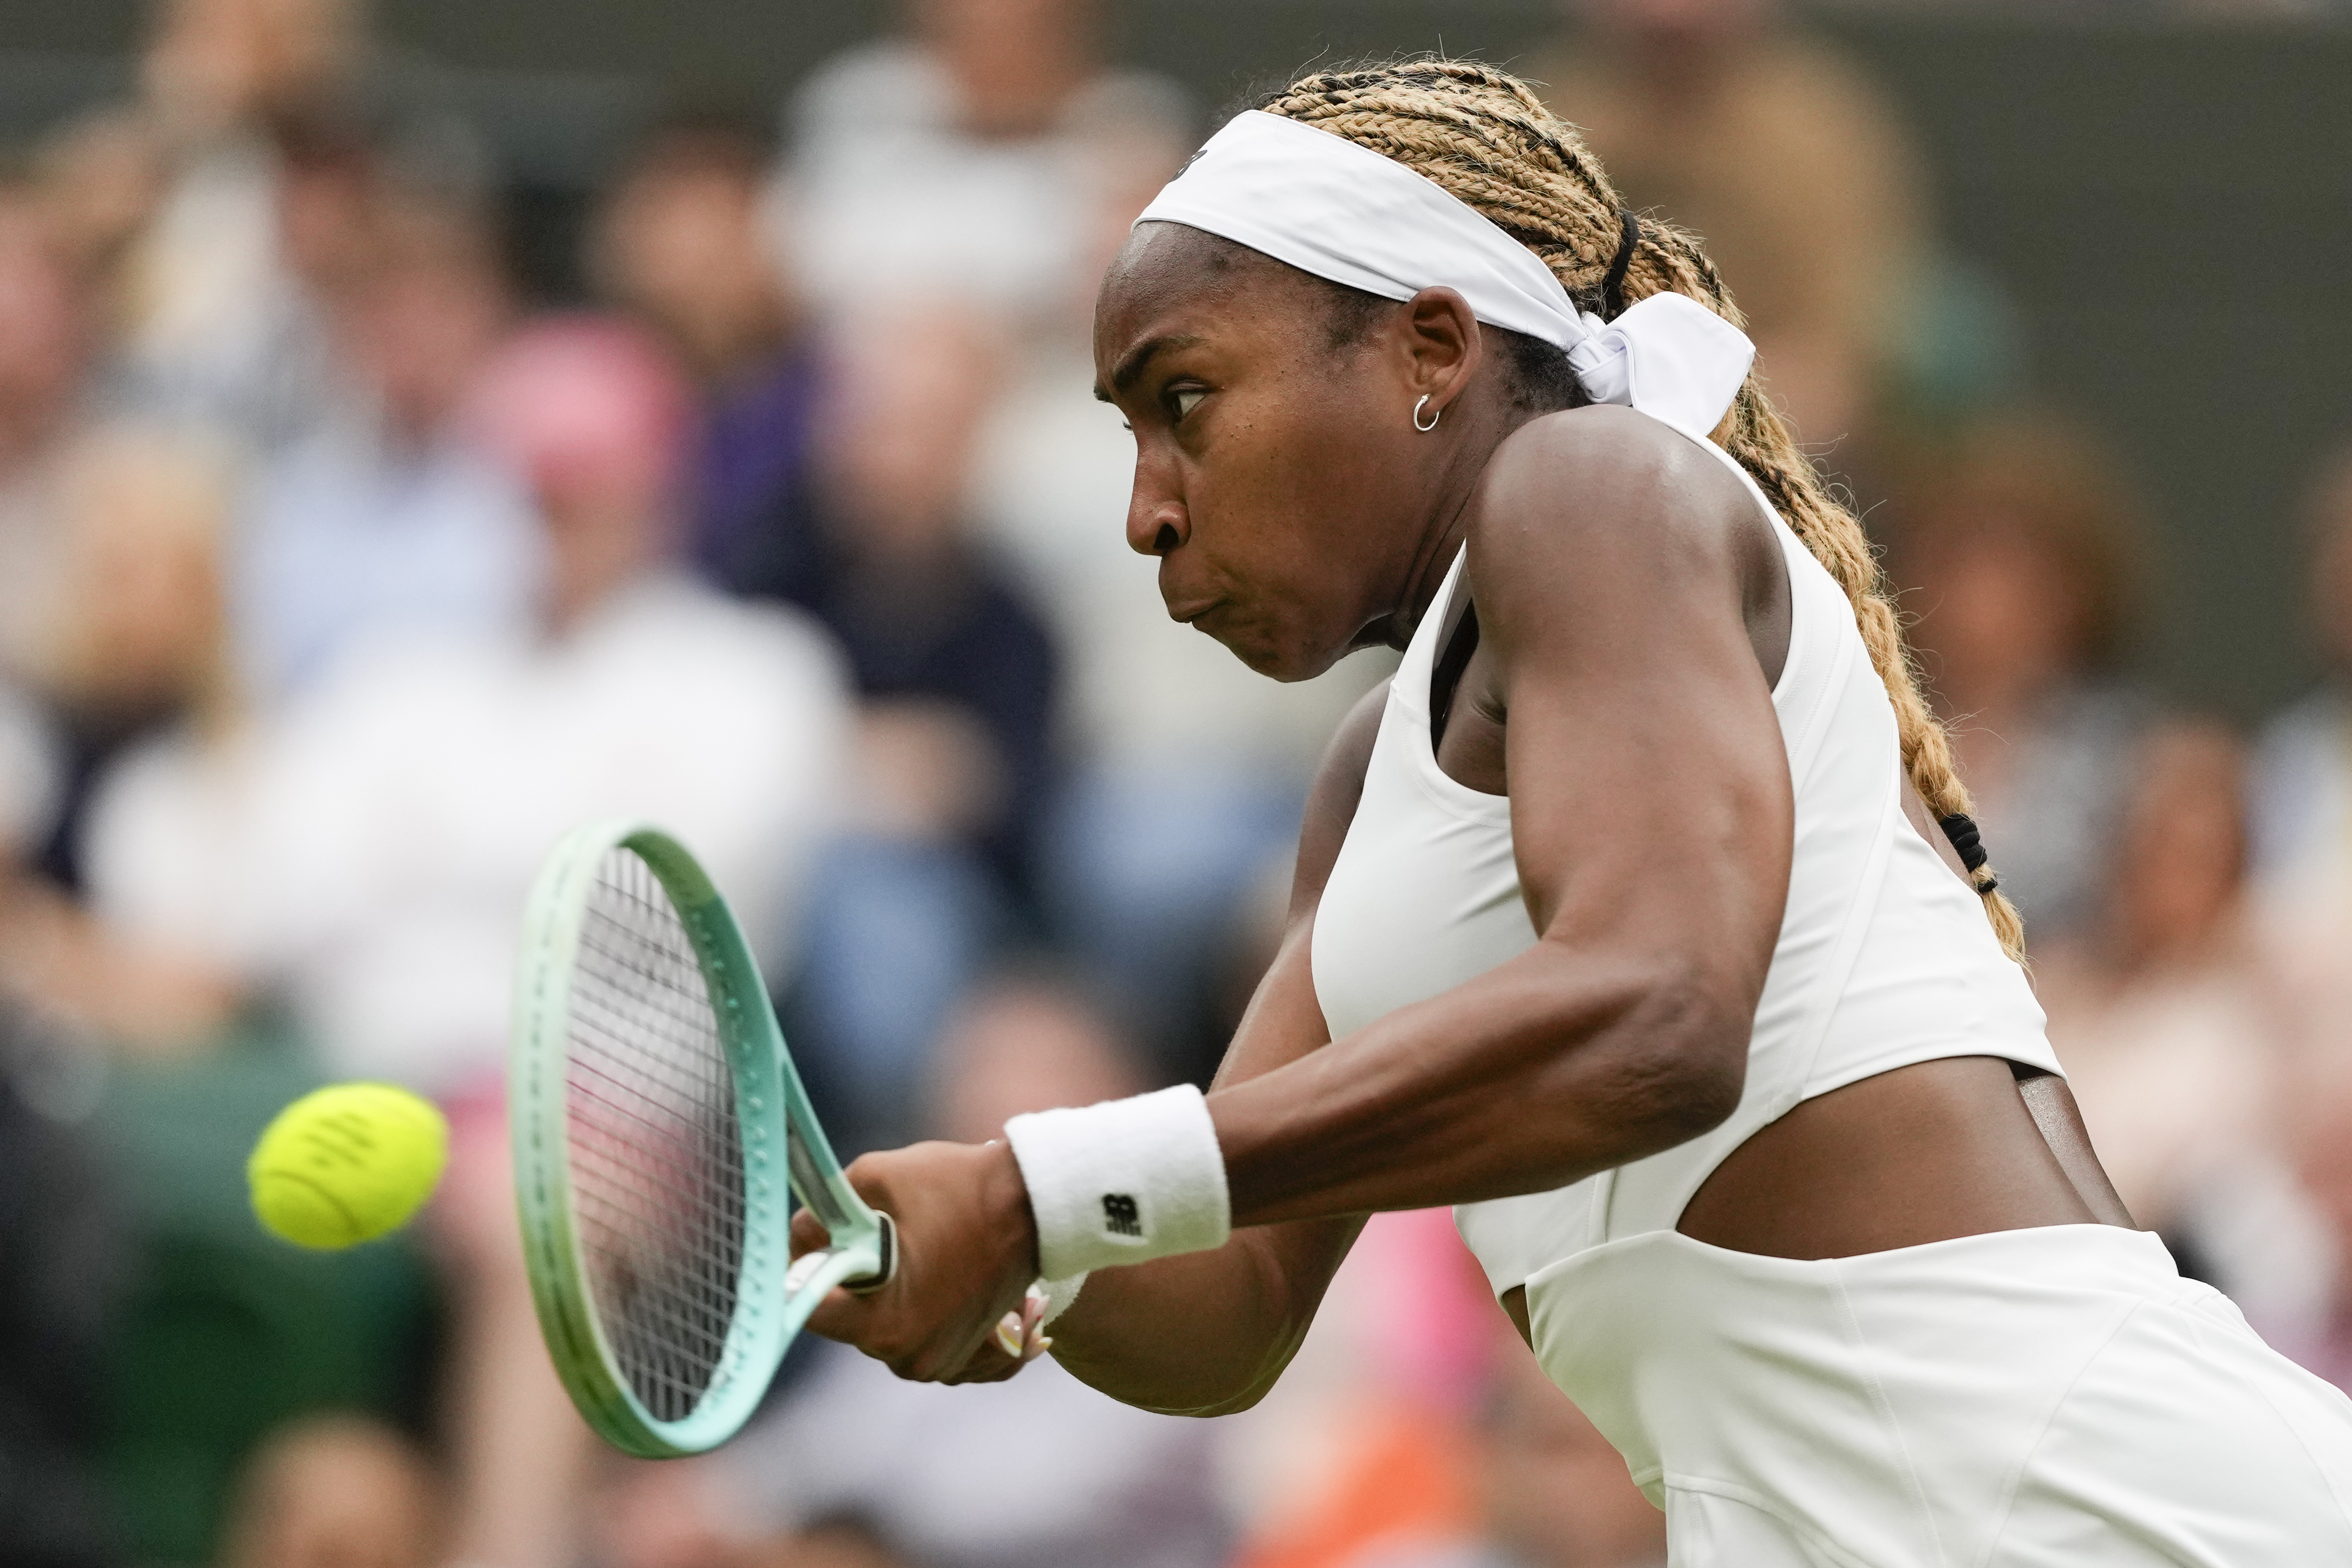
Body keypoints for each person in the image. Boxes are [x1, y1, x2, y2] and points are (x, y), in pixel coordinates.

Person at [787, 60, 2352, 1564]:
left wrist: (1038, 1187)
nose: (1148, 507)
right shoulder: (1367, 782)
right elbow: (1240, 1298)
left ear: (1431, 350)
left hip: (2093, 1502)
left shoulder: (1594, 489)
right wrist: (1025, 1251)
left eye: (1184, 400)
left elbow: (1659, 1012)